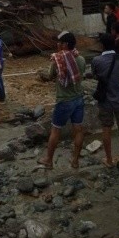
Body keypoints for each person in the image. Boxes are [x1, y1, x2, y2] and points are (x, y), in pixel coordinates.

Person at [38, 31, 86, 169]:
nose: (57, 44)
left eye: (59, 42)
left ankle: (48, 159)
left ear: (65, 44)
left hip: (64, 100)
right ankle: (75, 161)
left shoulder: (58, 60)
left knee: (56, 130)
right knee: (78, 130)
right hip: (78, 98)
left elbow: (50, 75)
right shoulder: (81, 59)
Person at [92, 33, 119, 167]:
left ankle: (109, 160)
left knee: (106, 129)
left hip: (105, 101)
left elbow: (95, 76)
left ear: (102, 45)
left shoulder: (97, 61)